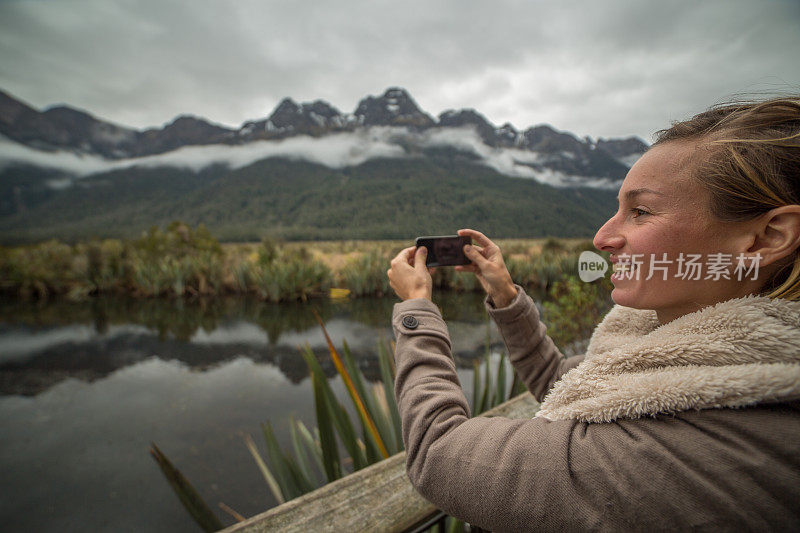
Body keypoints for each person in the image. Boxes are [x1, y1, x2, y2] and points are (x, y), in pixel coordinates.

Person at [386, 95, 800, 531]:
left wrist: (416, 309)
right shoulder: (710, 359)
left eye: (640, 211)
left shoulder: (674, 448)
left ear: (768, 237)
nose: (602, 237)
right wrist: (504, 293)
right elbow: (568, 380)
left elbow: (437, 453)